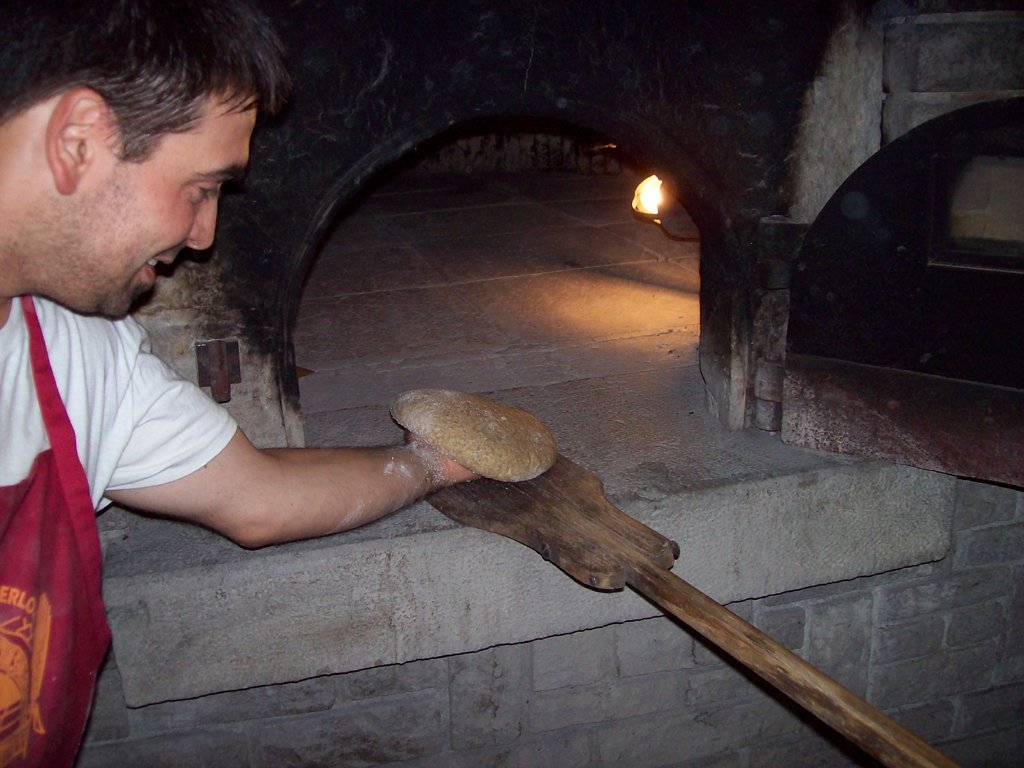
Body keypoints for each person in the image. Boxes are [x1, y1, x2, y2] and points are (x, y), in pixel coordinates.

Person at [0, 2, 476, 765]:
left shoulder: (74, 354)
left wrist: (433, 463)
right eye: (201, 186)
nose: (203, 235)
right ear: (77, 141)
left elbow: (257, 498)